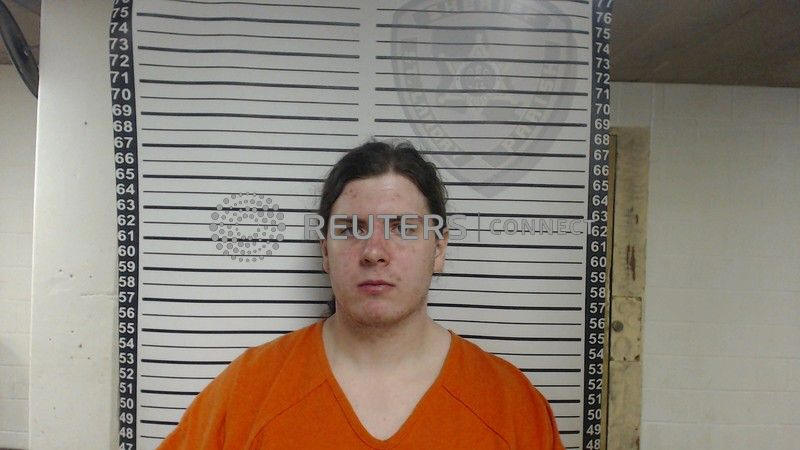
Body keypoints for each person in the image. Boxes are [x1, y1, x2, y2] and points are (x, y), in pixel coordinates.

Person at [158, 141, 565, 449]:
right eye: (352, 229)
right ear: (325, 252)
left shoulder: (512, 406)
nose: (374, 252)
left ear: (439, 249)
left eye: (402, 228)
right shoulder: (248, 392)